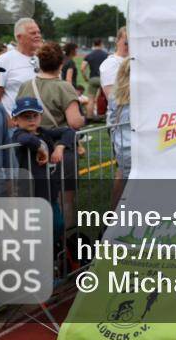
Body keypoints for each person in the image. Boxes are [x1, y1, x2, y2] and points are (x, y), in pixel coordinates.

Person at [17, 43, 84, 231]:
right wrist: (85, 116)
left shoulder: (25, 85)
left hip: (32, 149)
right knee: (65, 200)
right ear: (61, 63)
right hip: (59, 147)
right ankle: (65, 245)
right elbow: (74, 122)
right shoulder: (64, 87)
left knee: (37, 198)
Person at [11, 96, 76, 247]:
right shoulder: (18, 135)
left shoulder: (43, 133)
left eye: (35, 116)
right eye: (26, 117)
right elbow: (27, 140)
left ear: (40, 117)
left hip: (49, 190)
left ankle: (52, 254)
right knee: (36, 230)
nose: (31, 120)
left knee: (58, 225)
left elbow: (69, 131)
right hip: (31, 194)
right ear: (15, 120)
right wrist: (42, 148)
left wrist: (60, 147)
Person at [0, 18, 43, 117]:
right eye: (33, 33)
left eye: (38, 32)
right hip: (15, 126)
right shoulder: (5, 60)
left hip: (43, 124)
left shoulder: (43, 58)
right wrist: (8, 121)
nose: (38, 36)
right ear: (19, 37)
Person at [106, 58, 132, 210]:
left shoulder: (115, 95)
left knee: (122, 181)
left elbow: (111, 121)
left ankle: (112, 220)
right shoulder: (145, 95)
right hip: (138, 149)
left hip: (122, 148)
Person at [80, 39, 108, 117]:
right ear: (101, 44)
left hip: (93, 79)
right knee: (106, 98)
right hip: (103, 79)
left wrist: (85, 78)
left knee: (91, 99)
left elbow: (82, 68)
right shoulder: (106, 55)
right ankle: (104, 115)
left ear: (94, 44)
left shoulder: (89, 55)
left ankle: (89, 117)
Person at [100, 27, 128, 101]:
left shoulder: (133, 61)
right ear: (117, 41)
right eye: (126, 43)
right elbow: (112, 97)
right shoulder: (111, 63)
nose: (129, 46)